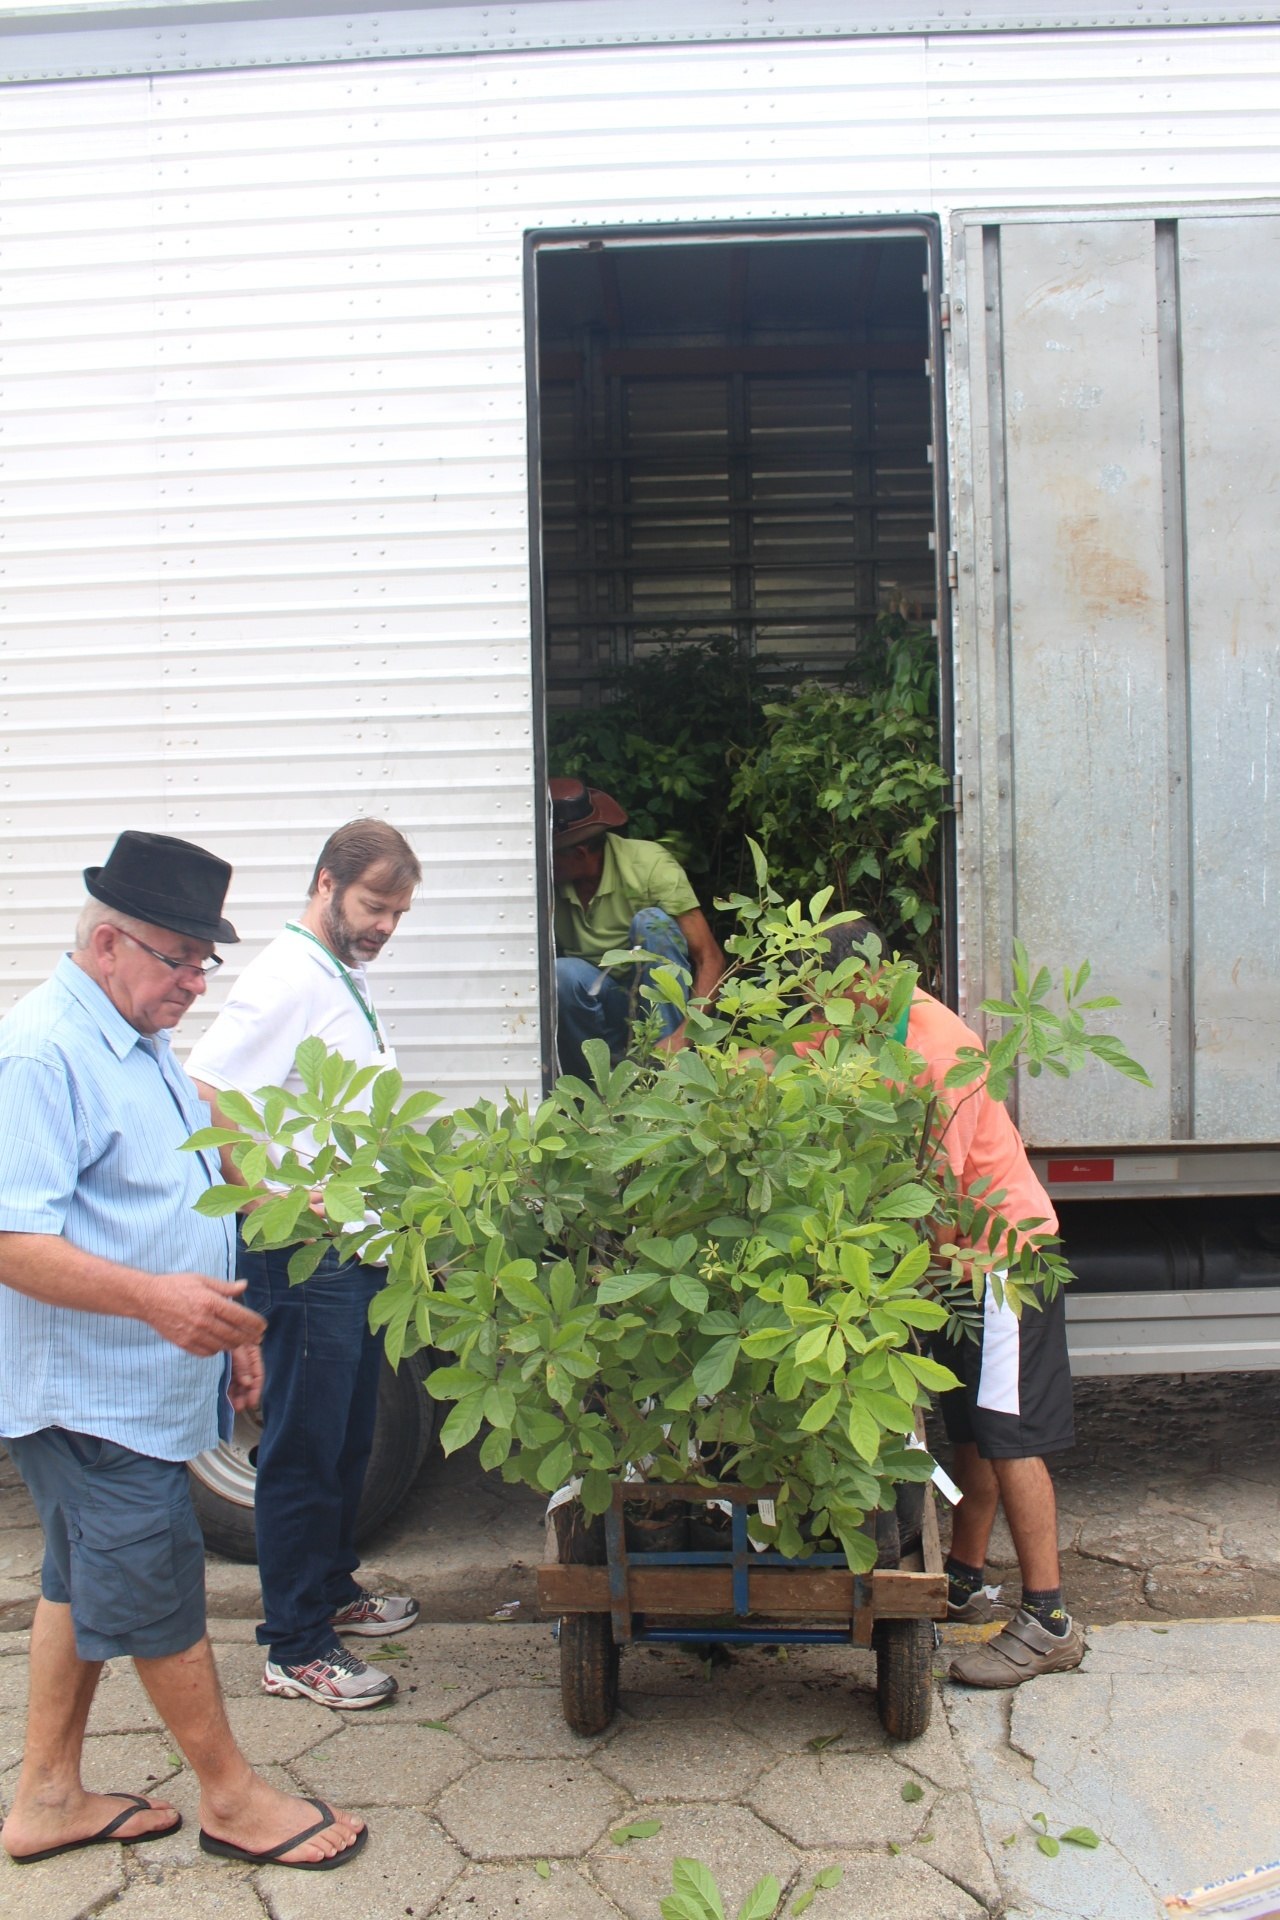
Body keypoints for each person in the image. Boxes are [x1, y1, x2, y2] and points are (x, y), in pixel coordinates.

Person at [0, 830, 366, 1870]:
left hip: (148, 1376)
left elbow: (188, 1161)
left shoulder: (136, 1036)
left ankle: (46, 1797)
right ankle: (232, 1798)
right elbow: (10, 1239)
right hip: (88, 1394)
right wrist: (159, 1303)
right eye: (179, 959)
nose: (197, 984)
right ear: (109, 942)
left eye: (206, 962)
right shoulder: (42, 1052)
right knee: (157, 1585)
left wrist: (225, 1325)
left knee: (78, 1582)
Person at [187, 819, 422, 1712]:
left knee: (349, 1439)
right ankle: (294, 1644)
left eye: (398, 912)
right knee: (303, 1448)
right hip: (304, 1255)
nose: (385, 926)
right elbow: (207, 1092)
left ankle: (331, 1590)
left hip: (351, 1252)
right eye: (373, 906)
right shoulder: (286, 974)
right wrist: (266, 1201)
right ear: (326, 883)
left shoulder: (336, 974)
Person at [817, 916, 1085, 1688]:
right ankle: (964, 1577)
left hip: (998, 1259)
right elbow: (787, 1061)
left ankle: (1050, 1620)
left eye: (824, 994)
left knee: (1009, 1434)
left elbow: (931, 1200)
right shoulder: (861, 1027)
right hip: (952, 1268)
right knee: (969, 1427)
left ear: (864, 983)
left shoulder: (939, 1050)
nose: (817, 1013)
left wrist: (875, 1286)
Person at [550, 776, 725, 1079]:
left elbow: (710, 957)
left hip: (655, 1006)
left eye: (551, 855)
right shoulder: (546, 885)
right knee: (561, 973)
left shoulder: (648, 864)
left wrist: (687, 1032)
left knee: (651, 922)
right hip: (599, 1007)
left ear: (579, 854)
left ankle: (667, 1072)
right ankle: (599, 1087)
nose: (544, 863)